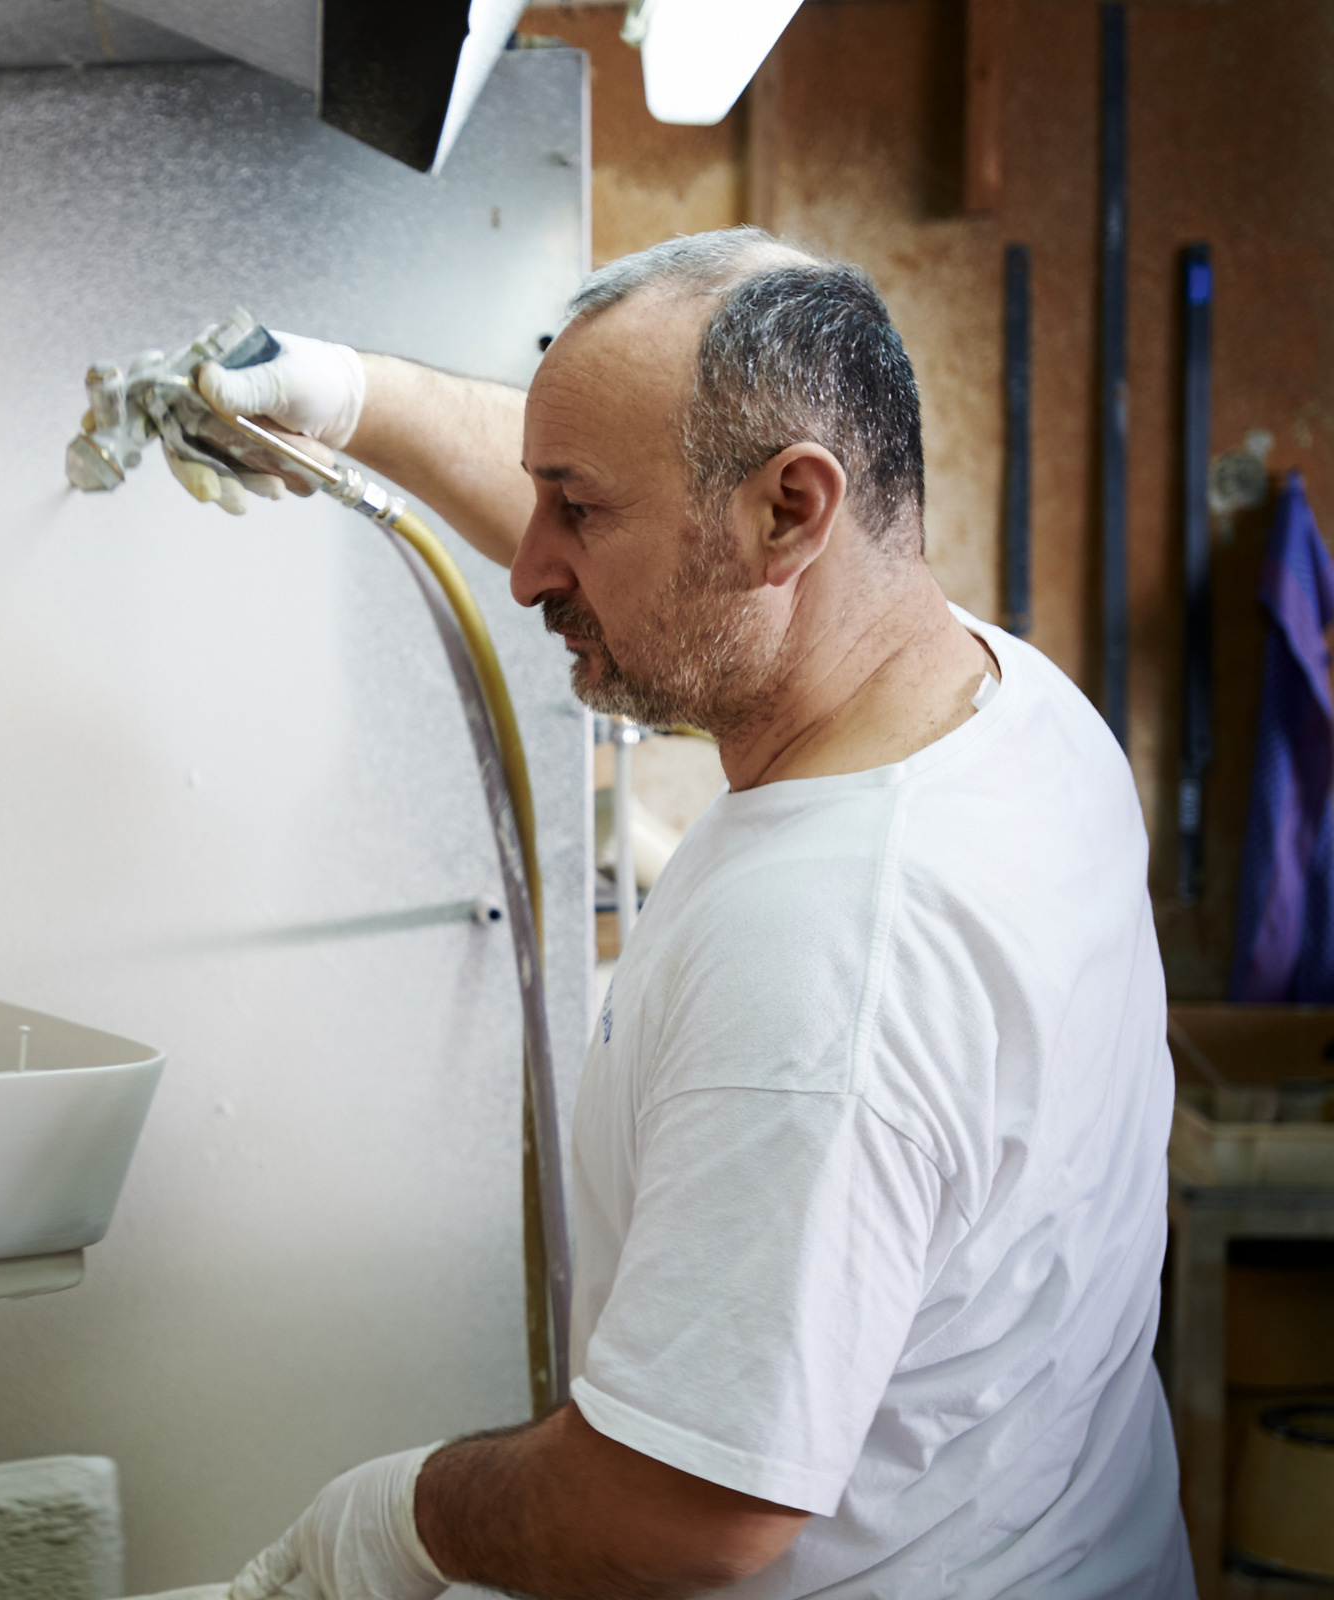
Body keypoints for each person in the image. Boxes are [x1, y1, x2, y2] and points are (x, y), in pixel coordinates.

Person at [175, 228, 1197, 1600]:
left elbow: (687, 1510)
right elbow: (646, 486)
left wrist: (389, 1524)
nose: (532, 569)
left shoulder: (826, 958)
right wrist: (346, 397)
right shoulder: (1007, 703)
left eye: (576, 515)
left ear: (789, 513)